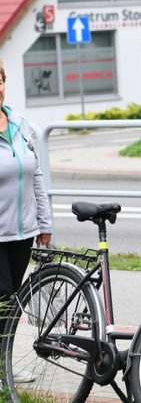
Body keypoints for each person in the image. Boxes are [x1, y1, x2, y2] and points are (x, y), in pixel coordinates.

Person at [0, 57, 53, 340]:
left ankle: (3, 366)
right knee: (4, 298)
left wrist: (44, 223)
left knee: (12, 305)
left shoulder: (20, 124)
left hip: (22, 233)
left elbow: (36, 176)